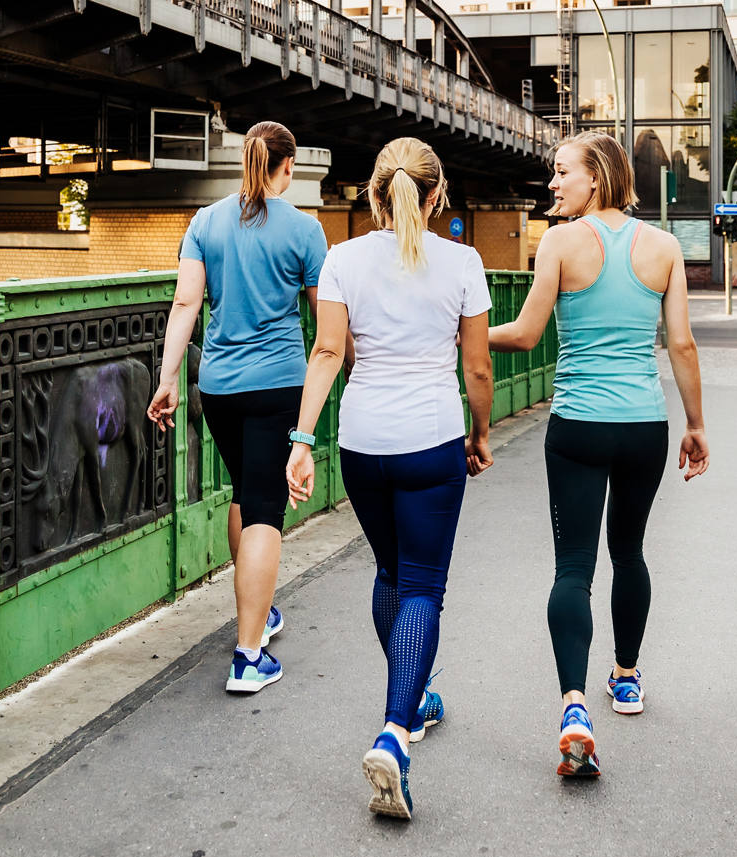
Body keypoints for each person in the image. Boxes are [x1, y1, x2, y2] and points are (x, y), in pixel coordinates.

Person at [285, 137, 494, 820]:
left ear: (375, 194)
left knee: (390, 574)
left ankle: (412, 697)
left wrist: (302, 438)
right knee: (425, 586)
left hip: (363, 442)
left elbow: (326, 350)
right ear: (436, 196)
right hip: (432, 438)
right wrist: (481, 430)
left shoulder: (341, 259)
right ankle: (395, 732)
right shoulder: (463, 261)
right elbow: (478, 369)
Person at [487, 130, 708, 777]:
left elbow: (526, 333)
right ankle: (628, 677)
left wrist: (467, 329)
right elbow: (683, 345)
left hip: (579, 424)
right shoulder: (663, 247)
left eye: (561, 173)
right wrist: (696, 424)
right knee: (630, 551)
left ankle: (575, 707)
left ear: (597, 177)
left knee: (574, 567)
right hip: (643, 422)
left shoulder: (558, 244)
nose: (553, 184)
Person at [147, 121, 328, 694]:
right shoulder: (305, 231)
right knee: (267, 511)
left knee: (246, 495)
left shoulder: (206, 221)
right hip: (278, 385)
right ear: (288, 166)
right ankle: (249, 655)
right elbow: (327, 325)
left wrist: (167, 376)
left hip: (218, 388)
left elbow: (185, 303)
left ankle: (259, 612)